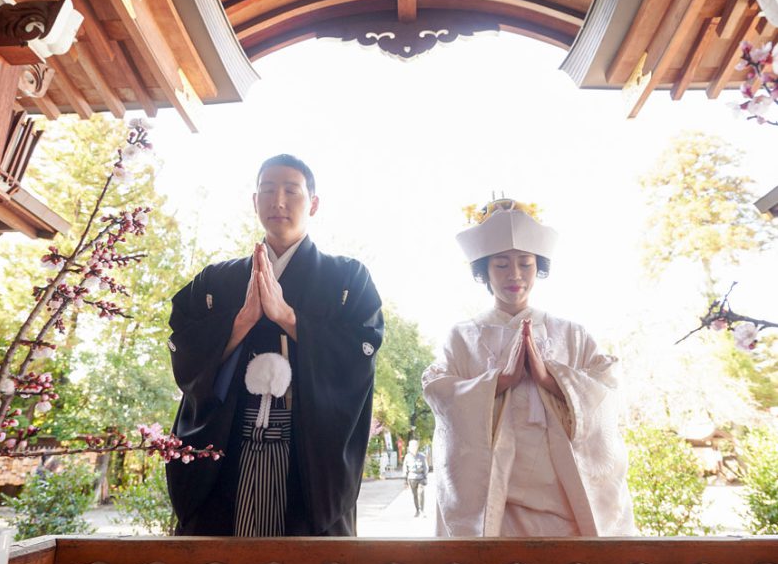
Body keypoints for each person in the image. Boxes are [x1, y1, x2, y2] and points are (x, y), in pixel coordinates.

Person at [166, 154, 383, 536]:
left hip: (308, 455)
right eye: (267, 190)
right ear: (254, 202)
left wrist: (288, 317)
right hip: (227, 446)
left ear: (313, 203)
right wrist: (240, 322)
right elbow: (184, 345)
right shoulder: (216, 279)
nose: (277, 201)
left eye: (290, 191)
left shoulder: (348, 277)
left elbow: (360, 352)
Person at [422, 199, 634, 537]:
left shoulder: (571, 333)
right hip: (492, 496)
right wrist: (499, 381)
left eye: (525, 263)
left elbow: (606, 386)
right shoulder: (461, 337)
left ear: (539, 267)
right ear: (485, 272)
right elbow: (438, 391)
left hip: (562, 493)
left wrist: (553, 380)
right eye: (501, 265)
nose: (515, 275)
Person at [403, 439, 428, 517]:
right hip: (411, 478)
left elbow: (425, 467)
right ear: (409, 447)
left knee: (421, 493)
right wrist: (405, 480)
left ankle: (422, 510)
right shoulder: (407, 457)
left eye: (415, 446)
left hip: (420, 477)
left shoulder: (422, 456)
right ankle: (417, 510)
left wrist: (425, 477)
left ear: (417, 447)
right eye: (412, 446)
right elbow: (405, 469)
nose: (413, 447)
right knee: (415, 495)